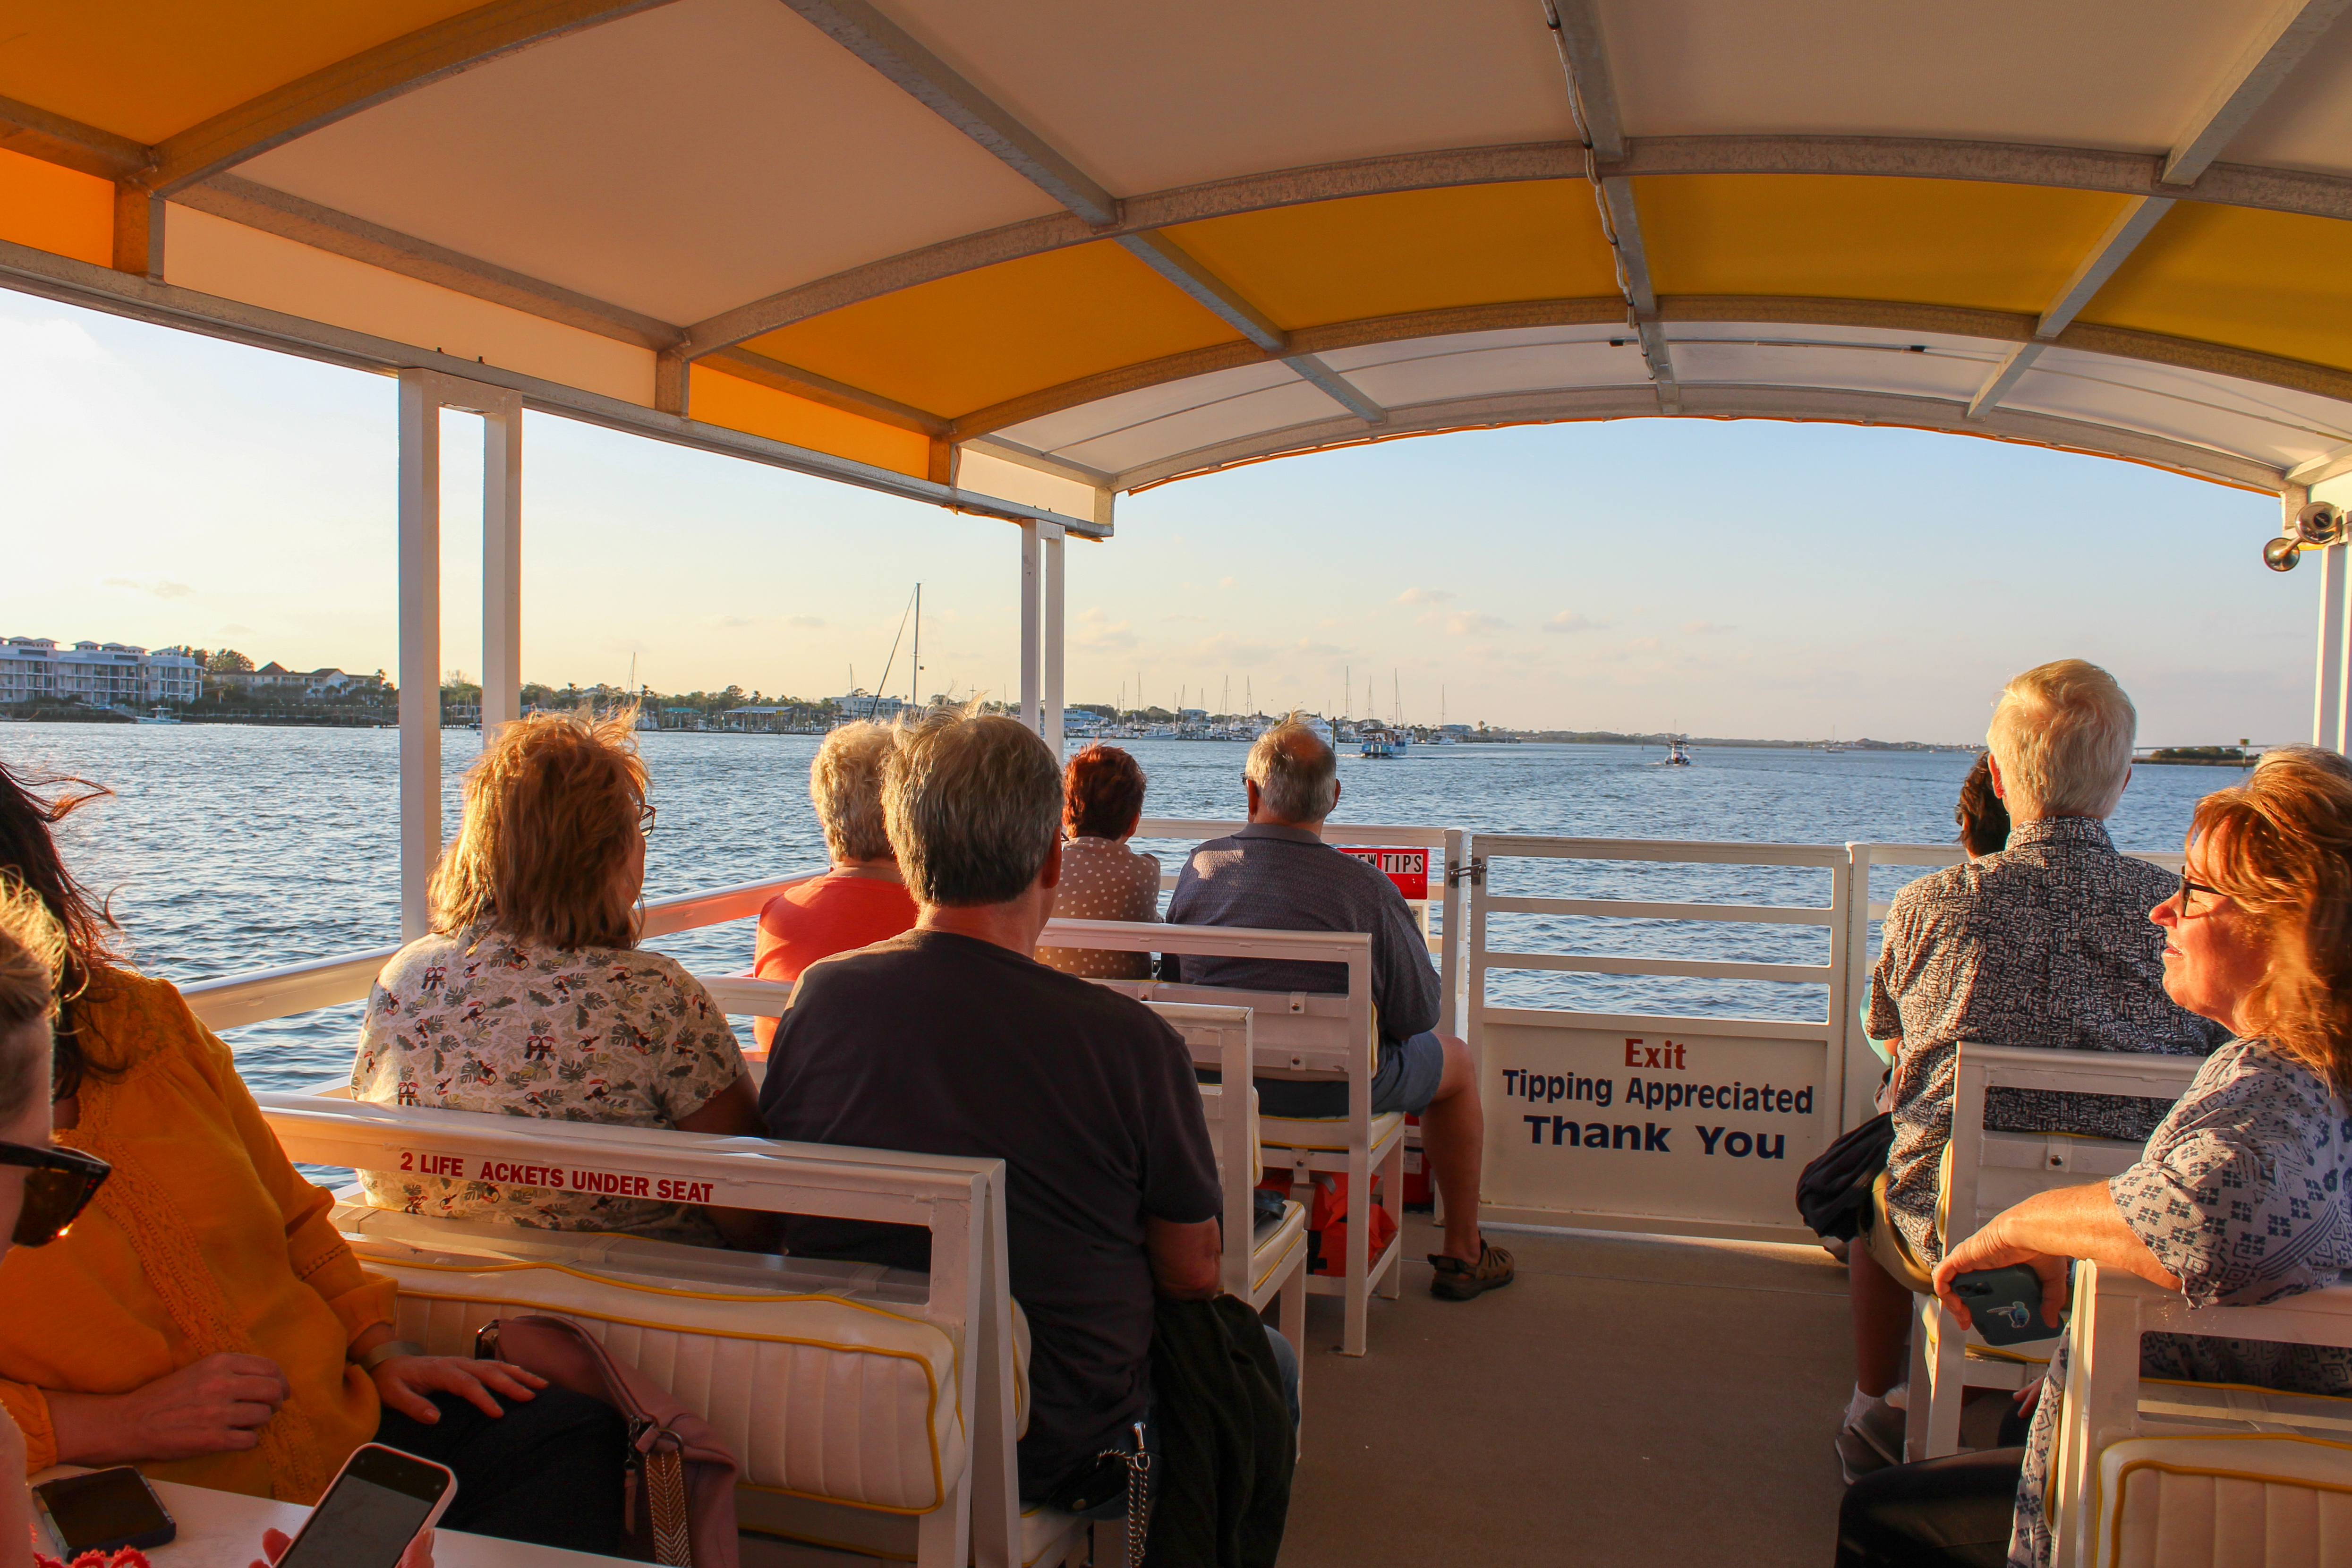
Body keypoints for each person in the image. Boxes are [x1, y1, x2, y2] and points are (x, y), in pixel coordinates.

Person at [0, 759, 624, 1554]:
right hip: (151, 1485)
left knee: (562, 1434)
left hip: (340, 1429)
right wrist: (108, 1423)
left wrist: (384, 1352)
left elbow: (294, 1215)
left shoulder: (144, 1023)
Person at [758, 711, 1296, 1503]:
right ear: (1050, 855)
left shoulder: (821, 998)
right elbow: (1191, 1273)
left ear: (908, 853)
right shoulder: (1130, 1044)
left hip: (856, 1400)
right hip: (1058, 1439)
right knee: (1271, 1362)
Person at [1842, 750, 2352, 1568]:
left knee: (1884, 1520)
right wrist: (2092, 1283)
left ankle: (1874, 1408)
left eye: (2193, 892)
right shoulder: (2311, 1071)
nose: (2163, 912)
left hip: (2198, 1478)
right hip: (2235, 1424)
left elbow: (2208, 1213)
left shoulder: (2279, 1090)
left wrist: (2032, 1223)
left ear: (2290, 925)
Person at [1839, 661, 2225, 1480]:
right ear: (2120, 784)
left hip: (1959, 1226)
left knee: (1874, 1192)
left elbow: (1892, 1040)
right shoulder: (2180, 919)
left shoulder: (1930, 905)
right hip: (2122, 1237)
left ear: (2004, 779)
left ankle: (1874, 1407)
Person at [352, 710, 765, 1246]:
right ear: (607, 852)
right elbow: (755, 1201)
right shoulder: (655, 997)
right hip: (639, 1300)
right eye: (635, 828)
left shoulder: (407, 975)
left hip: (432, 1275)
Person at [1165, 716, 1512, 1302]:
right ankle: (1463, 1250)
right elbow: (1419, 1014)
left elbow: (1177, 985)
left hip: (1219, 1090)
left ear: (1250, 793)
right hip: (1336, 1092)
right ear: (1333, 798)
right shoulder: (1366, 888)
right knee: (1456, 1063)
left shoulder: (1200, 868)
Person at [750, 721, 918, 1047]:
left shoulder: (780, 913)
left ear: (825, 816)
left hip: (793, 1095)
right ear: (912, 814)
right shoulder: (937, 917)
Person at [1036, 744, 1160, 980]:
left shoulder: (1045, 865)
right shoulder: (1145, 871)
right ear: (1134, 823)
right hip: (1125, 1002)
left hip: (1050, 993)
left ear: (1064, 815)